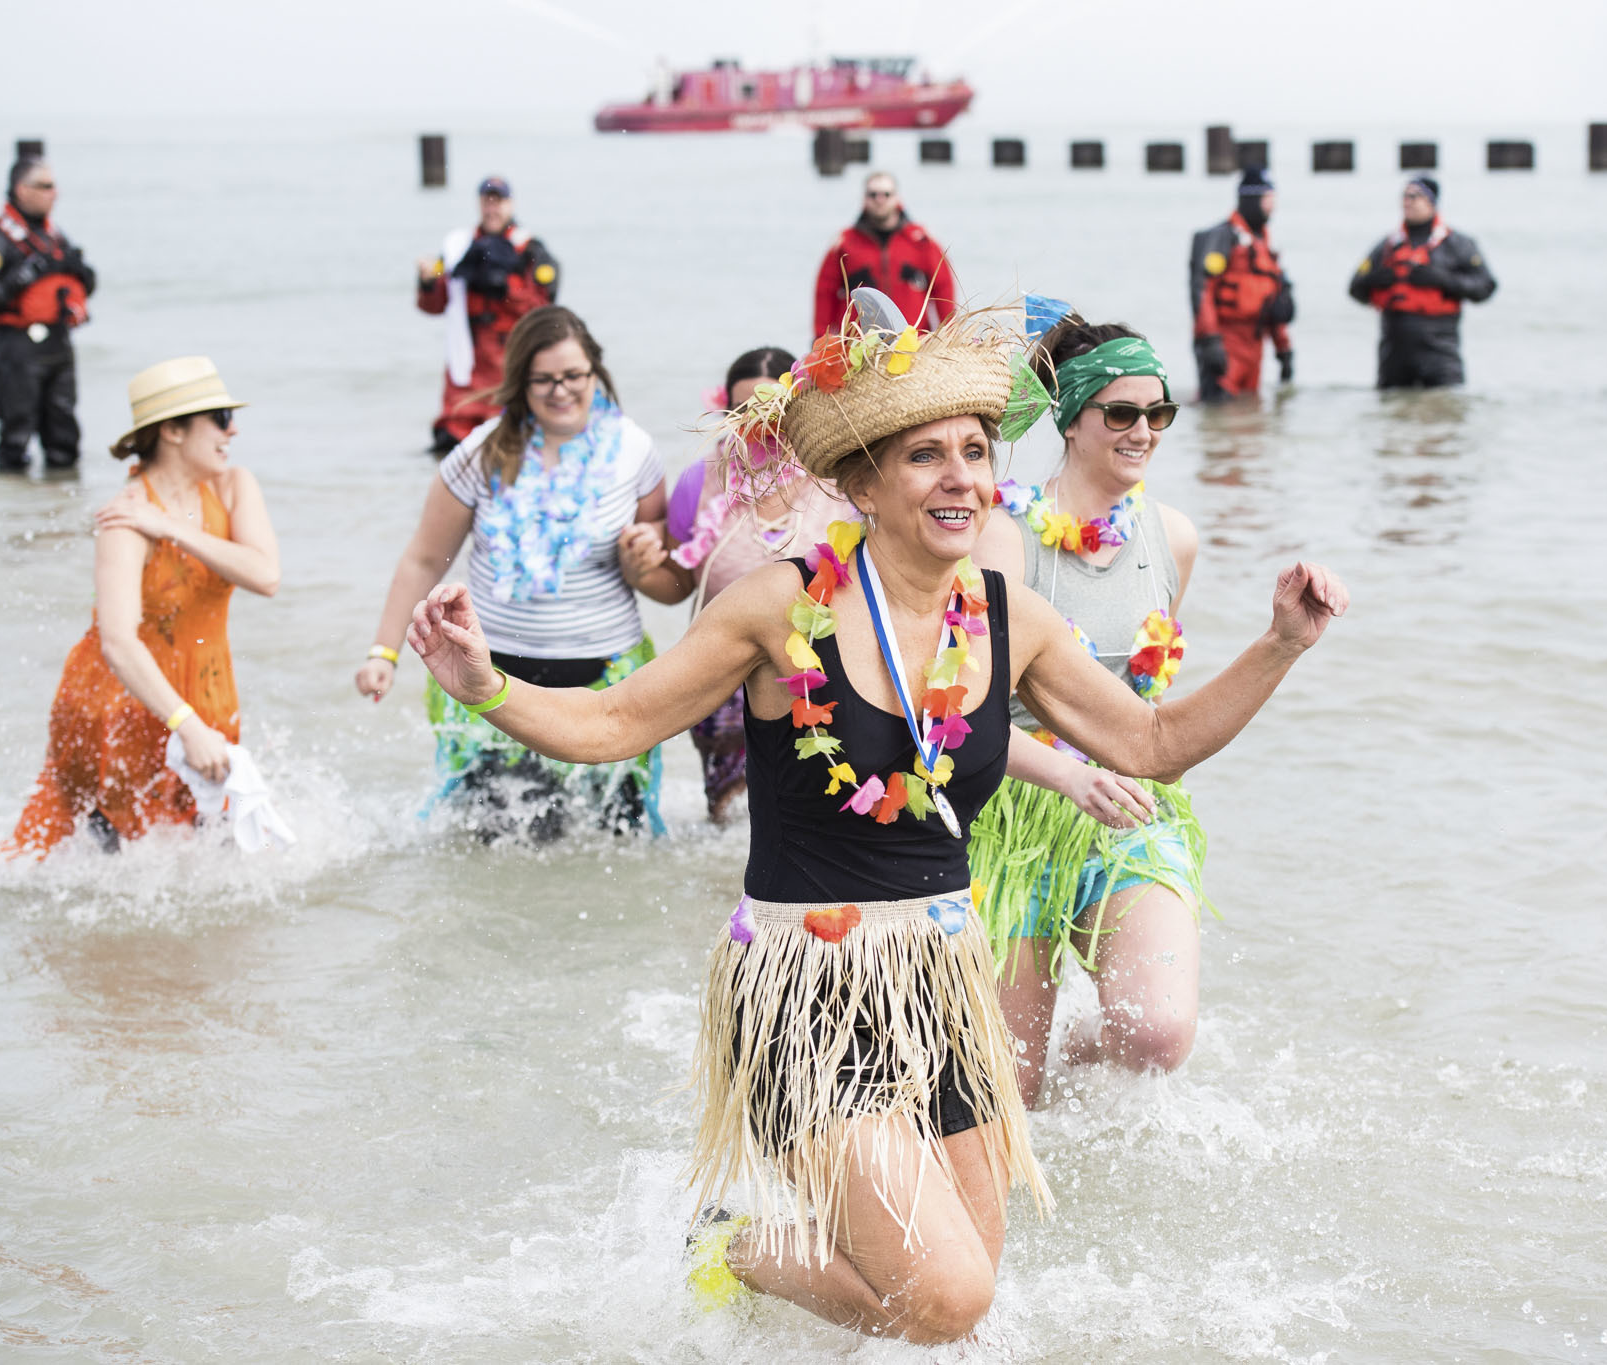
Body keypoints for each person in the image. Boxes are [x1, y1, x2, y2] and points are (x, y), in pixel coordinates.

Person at [402, 290, 1347, 1342]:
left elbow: (1153, 745)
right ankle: (735, 1244)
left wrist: (1278, 645)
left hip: (942, 976)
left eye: (977, 452)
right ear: (862, 479)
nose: (961, 477)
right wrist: (483, 682)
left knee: (959, 1293)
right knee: (947, 1300)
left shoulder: (1009, 619)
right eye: (925, 456)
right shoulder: (777, 606)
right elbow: (617, 721)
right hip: (807, 985)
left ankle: (797, 1252)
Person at [970, 313, 1208, 1106]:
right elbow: (961, 715)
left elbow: (1147, 707)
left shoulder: (1171, 538)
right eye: (1121, 412)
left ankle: (1086, 1036)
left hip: (1130, 806)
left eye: (1159, 412)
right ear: (1071, 418)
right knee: (1014, 1091)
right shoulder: (1005, 539)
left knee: (1156, 1035)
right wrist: (1066, 780)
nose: (1144, 430)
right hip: (1014, 815)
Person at [357, 305, 683, 838]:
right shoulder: (481, 453)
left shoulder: (634, 451)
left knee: (616, 852)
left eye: (573, 375)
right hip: (497, 680)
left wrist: (642, 563)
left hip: (607, 687)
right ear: (520, 383)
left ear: (595, 372)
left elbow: (669, 583)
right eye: (544, 379)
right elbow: (423, 558)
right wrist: (383, 653)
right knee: (496, 859)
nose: (561, 390)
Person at [6, 358, 278, 857]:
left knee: (210, 862)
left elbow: (266, 576)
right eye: (219, 417)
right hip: (120, 708)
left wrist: (172, 528)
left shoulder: (233, 485)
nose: (233, 429)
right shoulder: (123, 519)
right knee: (113, 874)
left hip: (206, 696)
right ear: (173, 430)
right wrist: (187, 725)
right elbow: (117, 641)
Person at [620, 346, 859, 823]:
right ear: (727, 412)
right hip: (724, 680)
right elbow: (678, 586)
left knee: (825, 814)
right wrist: (638, 570)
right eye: (748, 409)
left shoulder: (840, 476)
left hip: (826, 674)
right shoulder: (701, 480)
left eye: (776, 407)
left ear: (800, 406)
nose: (763, 422)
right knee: (732, 821)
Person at [0, 156, 96, 473]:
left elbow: (83, 286)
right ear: (22, 189)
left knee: (65, 438)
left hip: (58, 345)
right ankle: (14, 513)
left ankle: (62, 509)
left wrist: (82, 273)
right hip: (16, 347)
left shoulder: (56, 237)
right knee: (15, 437)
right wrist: (21, 277)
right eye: (46, 186)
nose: (54, 193)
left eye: (54, 186)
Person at [417, 176, 560, 455]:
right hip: (466, 363)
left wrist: (505, 286)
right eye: (487, 201)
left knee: (508, 445)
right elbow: (434, 301)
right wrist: (426, 280)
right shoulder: (456, 247)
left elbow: (542, 307)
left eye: (499, 201)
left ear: (511, 204)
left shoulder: (530, 249)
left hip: (509, 360)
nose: (492, 208)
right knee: (450, 444)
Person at [1348, 175, 1496, 389]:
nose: (1407, 201)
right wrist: (1373, 280)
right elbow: (1354, 288)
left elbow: (1485, 287)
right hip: (1394, 351)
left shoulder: (1458, 244)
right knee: (1392, 410)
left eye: (1414, 196)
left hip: (1440, 349)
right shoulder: (1388, 245)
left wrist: (1444, 280)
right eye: (1404, 196)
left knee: (1444, 409)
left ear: (1431, 202)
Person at [811, 171, 958, 343]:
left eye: (886, 194)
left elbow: (943, 288)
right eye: (873, 195)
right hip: (858, 347)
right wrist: (820, 340)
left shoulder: (921, 241)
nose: (879, 200)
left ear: (897, 198)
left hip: (913, 344)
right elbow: (825, 292)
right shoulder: (843, 244)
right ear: (864, 199)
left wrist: (950, 335)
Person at [1191, 166, 1294, 401]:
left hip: (1255, 345)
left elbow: (1272, 302)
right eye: (1268, 199)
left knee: (1250, 416)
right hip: (1226, 342)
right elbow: (1202, 289)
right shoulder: (1223, 237)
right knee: (1218, 412)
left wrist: (1284, 348)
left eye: (1273, 200)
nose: (1272, 207)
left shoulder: (1265, 247)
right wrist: (1210, 340)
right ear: (1252, 199)